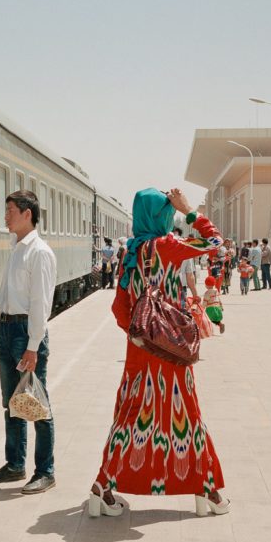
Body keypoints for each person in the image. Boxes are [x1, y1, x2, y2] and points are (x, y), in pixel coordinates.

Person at [87, 187, 229, 519]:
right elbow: (216, 244)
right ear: (163, 215)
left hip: (140, 351)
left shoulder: (131, 251)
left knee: (132, 416)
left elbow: (119, 307)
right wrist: (190, 210)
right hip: (170, 350)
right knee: (185, 417)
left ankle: (102, 489)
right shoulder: (166, 247)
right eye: (169, 211)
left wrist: (139, 336)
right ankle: (206, 490)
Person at [0, 190, 59, 495]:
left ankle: (45, 471)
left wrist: (33, 345)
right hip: (8, 330)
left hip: (25, 333)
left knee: (36, 405)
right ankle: (15, 464)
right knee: (12, 403)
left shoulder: (39, 252)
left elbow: (41, 303)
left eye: (11, 210)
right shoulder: (17, 247)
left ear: (28, 214)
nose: (6, 216)